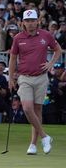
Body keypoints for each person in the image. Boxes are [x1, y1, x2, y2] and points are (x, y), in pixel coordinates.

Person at [8, 9, 62, 155]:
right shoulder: (18, 38)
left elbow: (58, 50)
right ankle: (45, 137)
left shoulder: (46, 35)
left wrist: (50, 64)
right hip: (24, 78)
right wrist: (11, 78)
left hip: (41, 78)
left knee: (37, 110)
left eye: (33, 21)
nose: (30, 24)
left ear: (37, 21)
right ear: (23, 23)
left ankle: (33, 145)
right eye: (27, 21)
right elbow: (13, 59)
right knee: (26, 108)